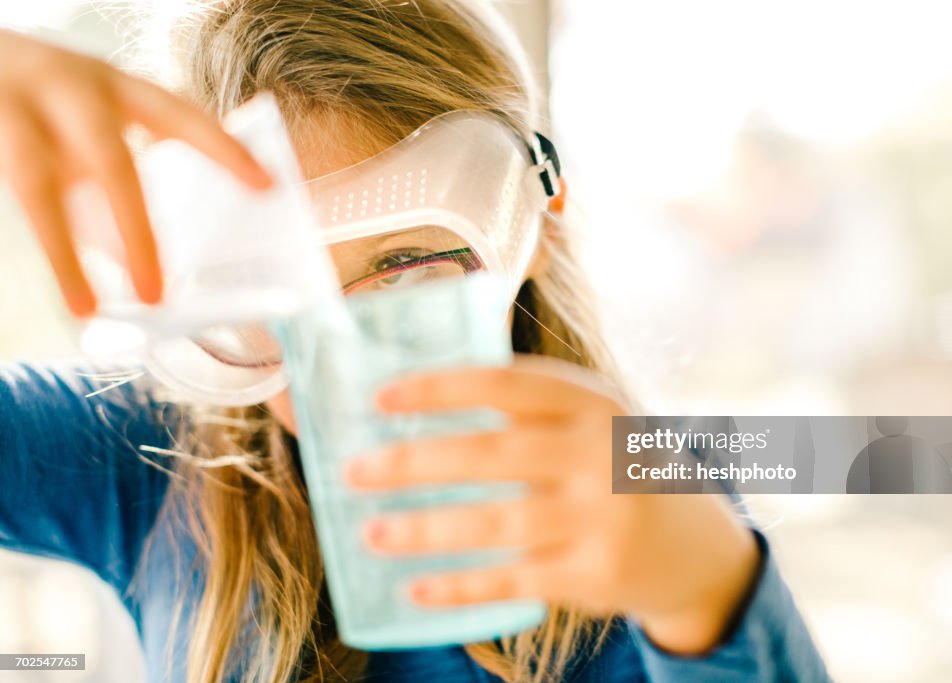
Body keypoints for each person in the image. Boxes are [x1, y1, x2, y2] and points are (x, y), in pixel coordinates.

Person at [0, 2, 831, 682]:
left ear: (532, 220)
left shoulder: (650, 488)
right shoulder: (146, 463)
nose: (347, 365)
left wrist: (705, 587)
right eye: (270, 297)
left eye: (404, 266)